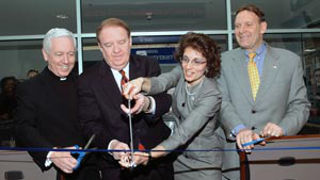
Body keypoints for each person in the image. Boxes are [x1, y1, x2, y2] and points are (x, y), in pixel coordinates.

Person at [217, 4, 310, 180]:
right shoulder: (223, 62)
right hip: (234, 164)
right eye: (237, 26)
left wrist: (283, 127)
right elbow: (222, 102)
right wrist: (239, 129)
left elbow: (300, 105)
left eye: (248, 24)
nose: (241, 30)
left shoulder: (290, 61)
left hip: (277, 157)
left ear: (263, 27)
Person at [77, 18, 174, 180]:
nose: (117, 50)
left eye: (121, 42)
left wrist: (147, 104)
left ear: (130, 41)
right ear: (100, 48)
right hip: (116, 170)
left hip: (156, 164)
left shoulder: (149, 65)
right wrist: (112, 145)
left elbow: (165, 101)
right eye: (109, 45)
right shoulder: (87, 80)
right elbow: (89, 124)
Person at [122, 32, 225, 180]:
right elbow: (162, 82)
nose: (189, 67)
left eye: (197, 61)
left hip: (205, 165)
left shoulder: (212, 94)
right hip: (180, 161)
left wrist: (149, 154)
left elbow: (184, 132)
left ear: (208, 64)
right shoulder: (181, 73)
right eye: (186, 59)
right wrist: (140, 83)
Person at [14, 28, 100, 180]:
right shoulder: (30, 88)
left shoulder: (84, 84)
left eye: (71, 54)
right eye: (59, 54)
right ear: (45, 54)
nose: (66, 61)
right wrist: (52, 153)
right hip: (53, 171)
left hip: (88, 170)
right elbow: (23, 128)